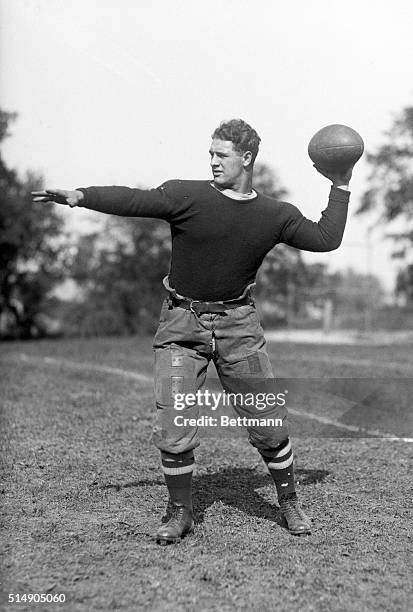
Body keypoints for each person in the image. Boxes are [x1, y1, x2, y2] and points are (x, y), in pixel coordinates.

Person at [33, 119, 352, 544]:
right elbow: (135, 200)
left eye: (221, 155)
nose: (213, 162)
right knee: (175, 422)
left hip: (239, 326)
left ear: (247, 158)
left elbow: (325, 238)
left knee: (269, 425)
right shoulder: (188, 194)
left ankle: (289, 500)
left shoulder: (275, 214)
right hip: (182, 324)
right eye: (211, 154)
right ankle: (179, 511)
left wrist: (341, 183)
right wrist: (81, 196)